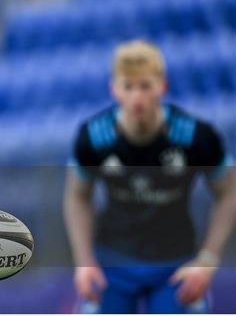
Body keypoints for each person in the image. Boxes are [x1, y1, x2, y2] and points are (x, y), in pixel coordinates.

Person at [64, 40, 235, 313]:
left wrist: (208, 260)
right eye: (128, 87)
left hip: (175, 265)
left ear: (162, 86)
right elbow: (77, 196)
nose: (137, 97)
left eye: (145, 86)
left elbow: (228, 192)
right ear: (114, 89)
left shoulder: (196, 136)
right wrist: (84, 261)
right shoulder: (93, 137)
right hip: (112, 264)